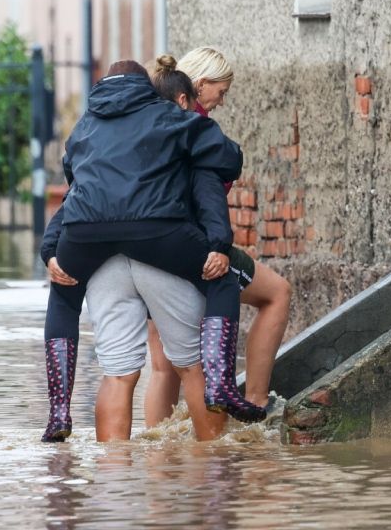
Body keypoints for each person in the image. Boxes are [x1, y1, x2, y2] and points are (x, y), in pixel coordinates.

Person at [40, 59, 265, 443]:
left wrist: (49, 253)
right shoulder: (171, 118)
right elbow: (229, 159)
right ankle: (218, 418)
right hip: (157, 234)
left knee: (100, 349)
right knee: (201, 344)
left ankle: (62, 413)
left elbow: (75, 186)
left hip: (89, 243)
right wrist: (217, 244)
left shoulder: (84, 129)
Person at [144, 48, 293, 425]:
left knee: (163, 366)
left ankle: (156, 453)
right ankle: (256, 402)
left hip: (145, 250)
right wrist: (217, 246)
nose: (222, 100)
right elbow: (215, 185)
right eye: (221, 92)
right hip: (195, 246)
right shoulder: (197, 126)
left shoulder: (147, 121)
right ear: (198, 85)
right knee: (277, 293)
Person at [85, 255, 226, 442]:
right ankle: (214, 456)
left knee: (120, 374)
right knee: (192, 366)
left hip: (104, 254)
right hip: (160, 248)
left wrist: (50, 254)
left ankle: (128, 464)